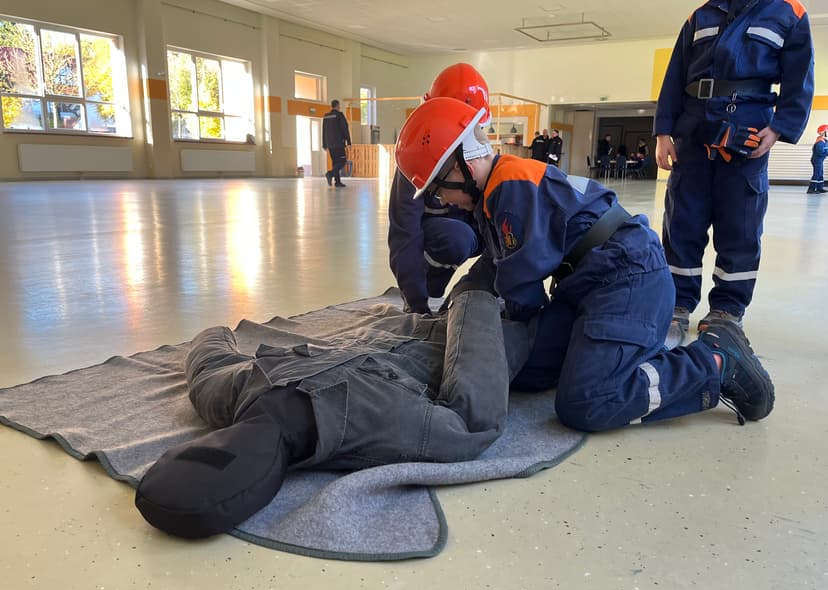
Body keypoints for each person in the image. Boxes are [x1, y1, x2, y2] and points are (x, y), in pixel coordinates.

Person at [395, 96, 776, 435]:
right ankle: (611, 355)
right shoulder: (498, 191)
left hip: (628, 279)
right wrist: (450, 308)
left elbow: (519, 284)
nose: (442, 199)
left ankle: (714, 360)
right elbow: (492, 268)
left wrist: (503, 322)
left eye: (437, 187)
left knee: (588, 401)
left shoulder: (508, 188)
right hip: (589, 286)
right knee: (523, 370)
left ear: (462, 162)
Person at [135, 287, 531, 538]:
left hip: (411, 322)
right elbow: (474, 418)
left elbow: (207, 356)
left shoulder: (231, 390)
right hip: (488, 329)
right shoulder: (377, 424)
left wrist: (474, 293)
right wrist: (475, 296)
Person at [654, 0, 815, 346]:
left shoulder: (790, 13)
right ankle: (677, 304)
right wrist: (663, 132)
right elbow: (674, 75)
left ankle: (727, 310)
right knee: (682, 220)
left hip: (749, 130)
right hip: (693, 130)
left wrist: (780, 128)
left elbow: (800, 77)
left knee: (740, 224)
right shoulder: (701, 15)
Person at [388, 63, 488, 314]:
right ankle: (431, 291)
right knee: (455, 239)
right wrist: (417, 302)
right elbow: (405, 233)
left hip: (468, 232)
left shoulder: (482, 161)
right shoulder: (416, 162)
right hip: (446, 233)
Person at [322, 99, 351, 188]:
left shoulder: (326, 116)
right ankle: (330, 174)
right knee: (342, 161)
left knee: (335, 163)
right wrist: (349, 141)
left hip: (330, 144)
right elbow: (345, 128)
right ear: (337, 106)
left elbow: (324, 130)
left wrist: (324, 144)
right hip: (339, 143)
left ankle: (337, 182)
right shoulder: (339, 115)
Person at [807, 124, 827, 194]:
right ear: (823, 132)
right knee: (817, 173)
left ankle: (820, 188)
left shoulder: (825, 141)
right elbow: (820, 153)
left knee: (820, 173)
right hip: (817, 160)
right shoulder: (820, 142)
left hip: (820, 160)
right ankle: (811, 189)